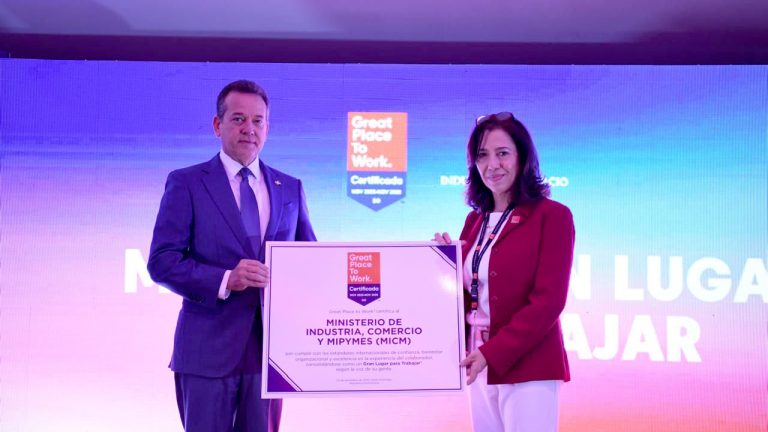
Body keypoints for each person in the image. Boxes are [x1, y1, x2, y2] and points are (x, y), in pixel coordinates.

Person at [148, 79, 316, 432]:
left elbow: (311, 264)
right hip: (206, 352)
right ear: (217, 125)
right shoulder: (187, 183)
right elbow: (162, 261)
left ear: (267, 127)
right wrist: (226, 279)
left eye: (258, 120)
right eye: (238, 119)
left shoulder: (291, 188)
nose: (248, 129)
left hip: (270, 356)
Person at [434, 112, 574, 432]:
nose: (492, 165)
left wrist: (492, 353)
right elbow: (470, 291)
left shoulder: (552, 216)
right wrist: (443, 262)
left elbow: (549, 302)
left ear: (522, 158)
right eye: (482, 155)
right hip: (478, 363)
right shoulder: (475, 220)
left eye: (502, 153)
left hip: (529, 366)